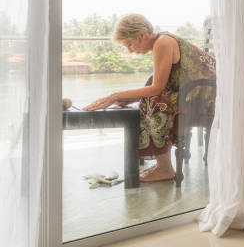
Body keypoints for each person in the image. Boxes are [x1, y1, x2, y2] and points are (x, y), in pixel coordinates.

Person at [84, 14, 216, 182]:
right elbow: (161, 84)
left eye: (129, 44)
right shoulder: (162, 40)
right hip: (197, 93)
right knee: (150, 98)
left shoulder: (163, 42)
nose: (130, 50)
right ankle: (163, 166)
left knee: (153, 102)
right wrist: (130, 98)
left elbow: (157, 88)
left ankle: (164, 169)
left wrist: (115, 96)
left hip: (206, 97)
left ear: (141, 36)